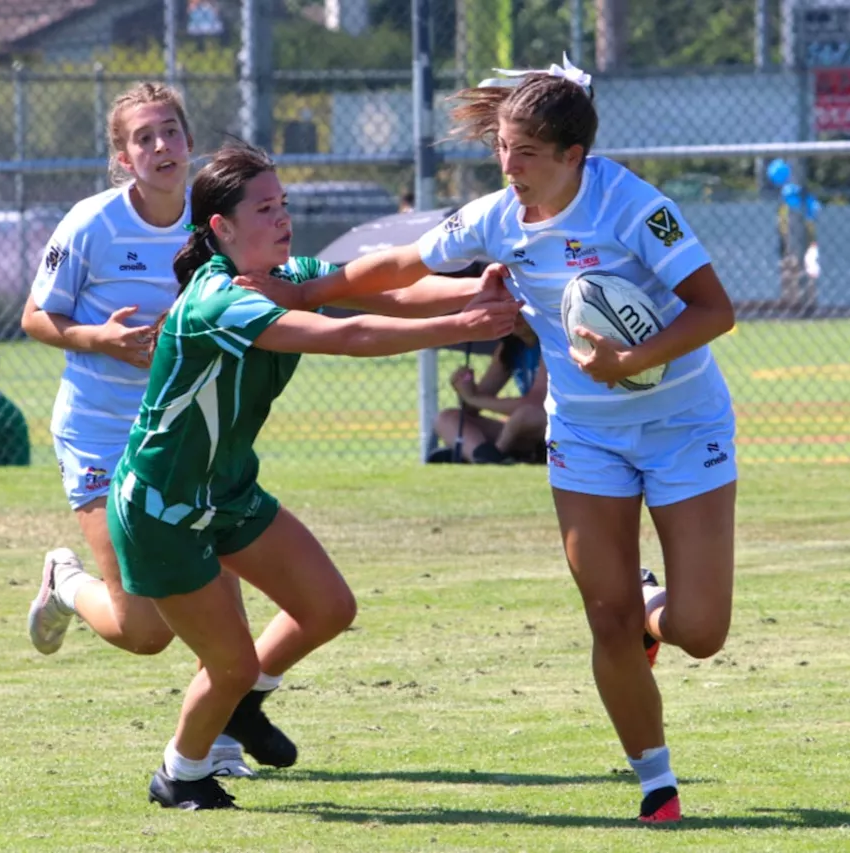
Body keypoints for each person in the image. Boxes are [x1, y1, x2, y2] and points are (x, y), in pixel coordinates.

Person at [248, 55, 738, 824]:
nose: (509, 166)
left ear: (574, 157)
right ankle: (657, 785)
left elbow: (715, 310)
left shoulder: (635, 207)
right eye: (503, 149)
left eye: (528, 153)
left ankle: (654, 606)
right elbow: (400, 263)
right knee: (603, 615)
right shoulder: (496, 218)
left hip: (683, 425)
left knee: (701, 632)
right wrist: (306, 290)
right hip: (584, 438)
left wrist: (627, 360)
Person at [109, 141, 520, 810]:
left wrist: (476, 286)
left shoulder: (283, 274)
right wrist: (461, 323)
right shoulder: (217, 301)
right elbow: (349, 335)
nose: (282, 218)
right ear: (221, 227)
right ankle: (179, 771)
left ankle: (240, 711)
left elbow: (376, 277)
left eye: (284, 204)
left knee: (329, 607)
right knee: (232, 663)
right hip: (163, 509)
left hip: (227, 491)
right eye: (265, 208)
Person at [19, 81, 271, 777]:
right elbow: (35, 318)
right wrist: (101, 338)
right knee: (145, 629)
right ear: (123, 158)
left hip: (184, 434)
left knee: (215, 580)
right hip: (101, 436)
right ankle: (64, 582)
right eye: (144, 138)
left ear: (189, 142)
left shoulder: (211, 221)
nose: (161, 146)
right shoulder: (90, 224)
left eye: (171, 132)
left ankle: (217, 740)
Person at [427, 318, 547, 464]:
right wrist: (464, 389)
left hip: (549, 425)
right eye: (510, 309)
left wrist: (472, 398)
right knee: (445, 418)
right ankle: (483, 457)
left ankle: (497, 454)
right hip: (520, 432)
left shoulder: (551, 345)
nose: (516, 316)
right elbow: (471, 408)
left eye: (522, 309)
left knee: (525, 415)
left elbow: (536, 403)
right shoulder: (509, 348)